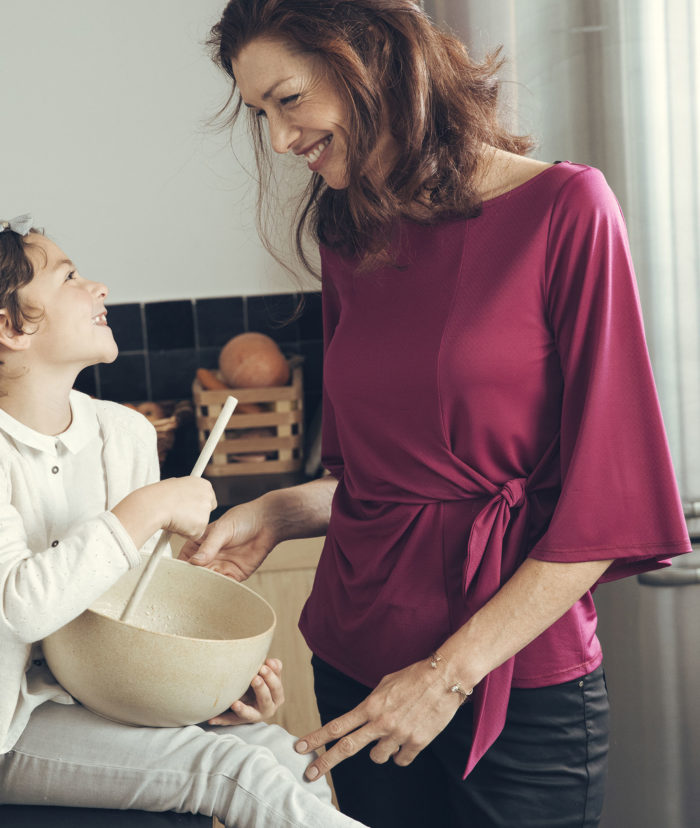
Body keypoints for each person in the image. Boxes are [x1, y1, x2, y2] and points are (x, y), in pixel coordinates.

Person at [181, 2, 693, 826]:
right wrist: (279, 510)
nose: (279, 140)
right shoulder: (349, 236)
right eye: (260, 114)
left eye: (288, 100)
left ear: (369, 60)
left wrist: (445, 676)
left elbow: (609, 510)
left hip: (508, 685)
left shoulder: (568, 210)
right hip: (356, 669)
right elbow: (385, 482)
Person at [0, 215, 366, 828]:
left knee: (278, 752)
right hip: (15, 728)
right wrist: (144, 512)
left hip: (98, 700)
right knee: (230, 773)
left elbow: (134, 623)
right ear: (11, 326)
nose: (100, 288)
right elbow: (22, 606)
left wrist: (204, 693)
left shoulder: (125, 435)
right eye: (69, 278)